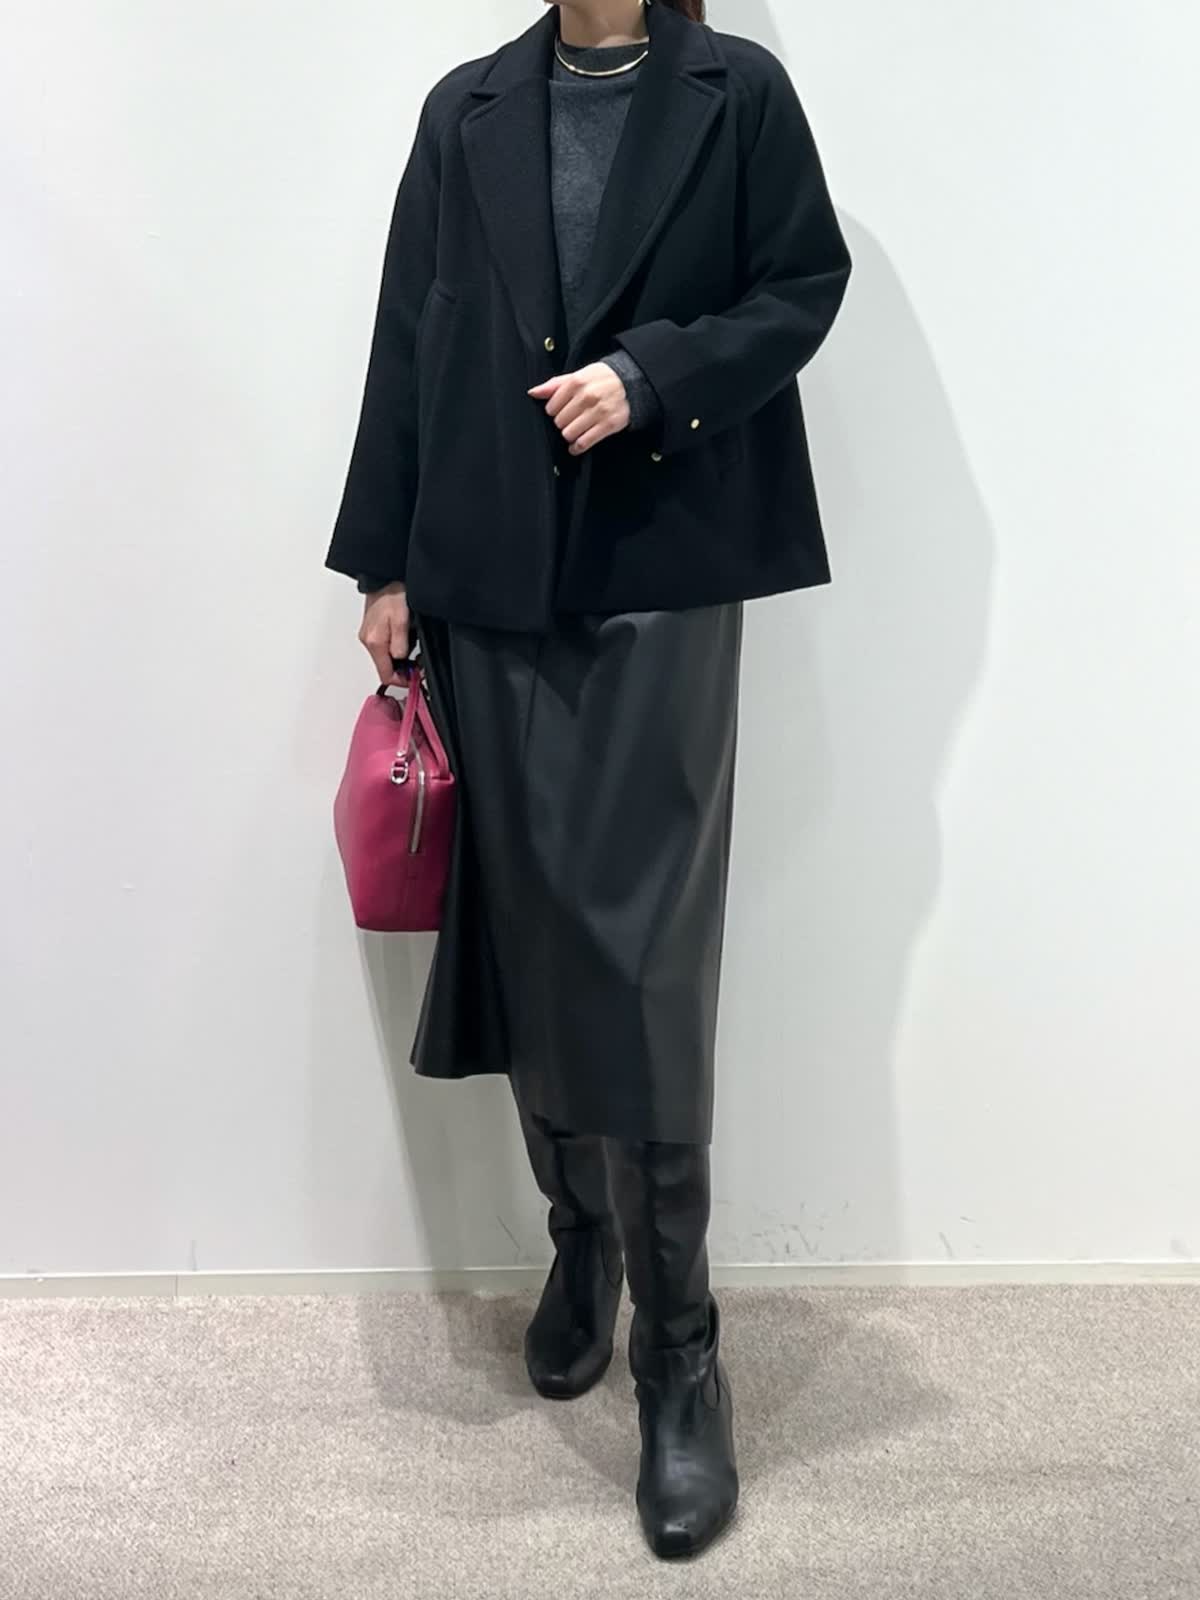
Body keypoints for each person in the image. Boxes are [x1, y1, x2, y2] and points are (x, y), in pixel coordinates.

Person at [325, 0, 851, 1560]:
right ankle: (581, 1246)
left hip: (663, 566)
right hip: (487, 561)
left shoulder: (737, 93)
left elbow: (803, 285)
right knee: (523, 921)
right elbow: (411, 328)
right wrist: (382, 559)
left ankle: (682, 1355)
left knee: (642, 951)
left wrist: (650, 374)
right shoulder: (469, 105)